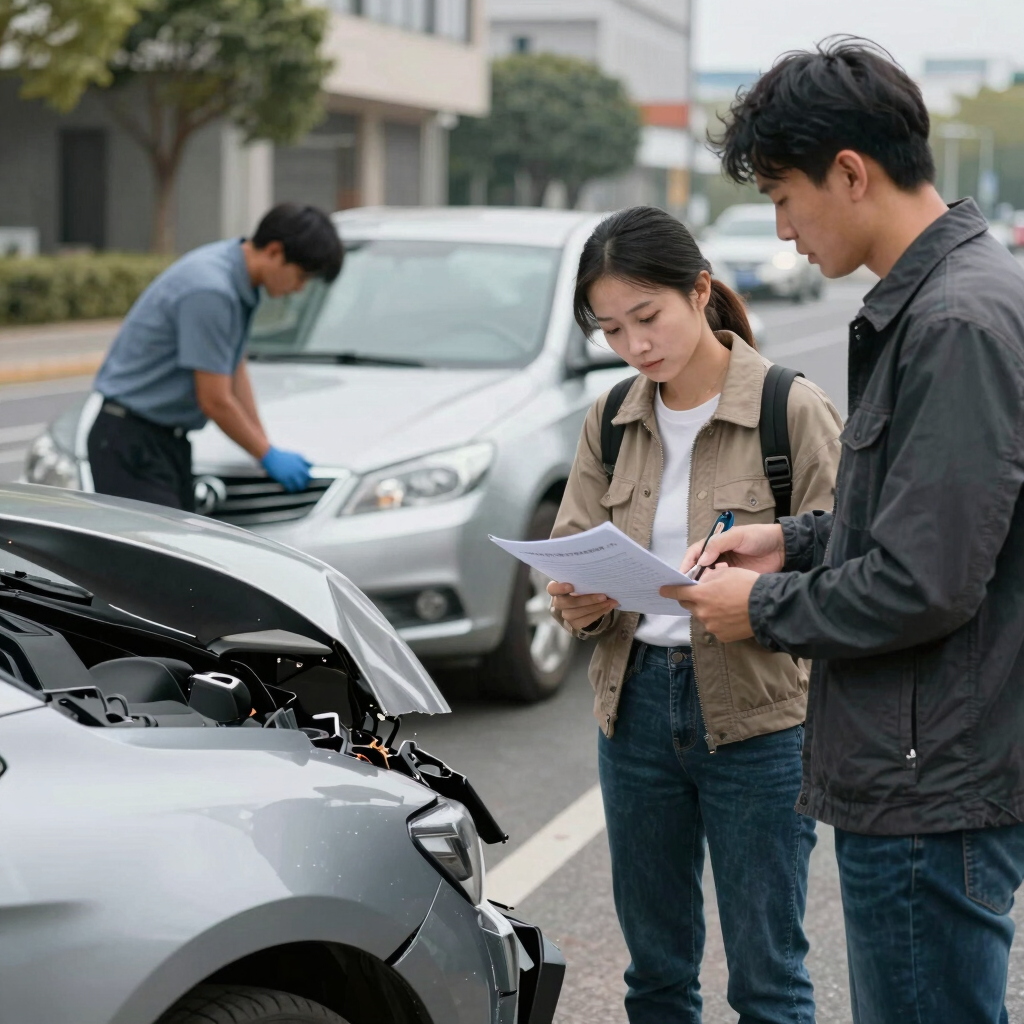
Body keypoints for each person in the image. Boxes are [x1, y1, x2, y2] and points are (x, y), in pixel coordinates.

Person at [662, 38, 1024, 1024]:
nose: (781, 231)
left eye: (784, 197)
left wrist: (760, 608)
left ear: (851, 174)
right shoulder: (938, 303)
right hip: (923, 763)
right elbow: (925, 519)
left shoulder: (952, 321)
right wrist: (792, 541)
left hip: (927, 781)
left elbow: (924, 580)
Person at [546, 205, 842, 1023]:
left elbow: (849, 560)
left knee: (767, 980)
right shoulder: (611, 417)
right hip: (634, 706)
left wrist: (760, 600)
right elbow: (570, 550)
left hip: (760, 716)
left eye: (648, 316)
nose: (636, 345)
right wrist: (577, 599)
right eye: (612, 329)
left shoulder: (790, 408)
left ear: (700, 291)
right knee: (656, 975)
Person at [87, 203, 343, 510]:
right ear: (275, 252)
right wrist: (266, 454)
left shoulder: (238, 277)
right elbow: (215, 400)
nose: (299, 289)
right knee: (155, 541)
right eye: (301, 276)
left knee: (179, 538)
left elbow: (234, 368)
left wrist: (263, 444)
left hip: (163, 440)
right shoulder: (212, 290)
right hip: (131, 441)